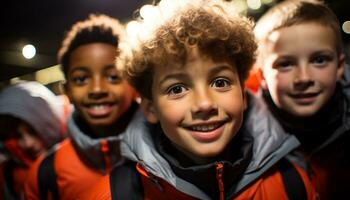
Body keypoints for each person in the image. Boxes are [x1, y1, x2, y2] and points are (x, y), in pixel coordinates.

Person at [84, 0, 317, 199]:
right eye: (176, 89)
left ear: (243, 94)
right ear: (150, 108)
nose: (205, 104)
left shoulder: (291, 182)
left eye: (220, 82)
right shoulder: (114, 194)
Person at [24, 14, 138, 200]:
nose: (97, 89)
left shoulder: (172, 152)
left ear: (135, 84)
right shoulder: (46, 173)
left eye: (113, 76)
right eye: (81, 79)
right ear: (67, 90)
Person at [253, 0, 350, 199]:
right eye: (286, 64)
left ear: (340, 66)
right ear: (262, 75)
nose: (304, 78)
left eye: (319, 60)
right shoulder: (245, 144)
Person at [0, 81, 69, 200]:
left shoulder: (88, 155)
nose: (28, 144)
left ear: (51, 121)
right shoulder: (8, 176)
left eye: (33, 130)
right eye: (17, 136)